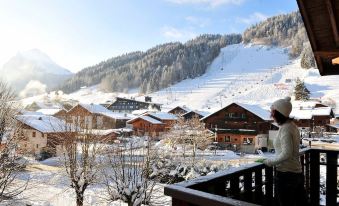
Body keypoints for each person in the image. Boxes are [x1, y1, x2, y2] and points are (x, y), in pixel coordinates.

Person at [256, 97, 307, 206]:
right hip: (296, 173)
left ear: (278, 113)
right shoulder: (292, 126)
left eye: (272, 112)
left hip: (286, 175)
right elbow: (293, 150)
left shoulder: (285, 128)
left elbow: (287, 153)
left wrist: (270, 162)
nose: (271, 115)